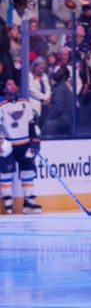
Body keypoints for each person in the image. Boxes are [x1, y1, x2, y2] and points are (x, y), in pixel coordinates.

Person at [0, 79, 42, 214]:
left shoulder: (25, 102)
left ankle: (28, 200)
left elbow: (31, 123)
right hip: (8, 144)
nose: (11, 86)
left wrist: (34, 140)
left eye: (13, 84)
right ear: (5, 89)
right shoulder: (1, 105)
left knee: (28, 170)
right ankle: (7, 200)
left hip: (25, 144)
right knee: (6, 171)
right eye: (8, 84)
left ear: (17, 87)